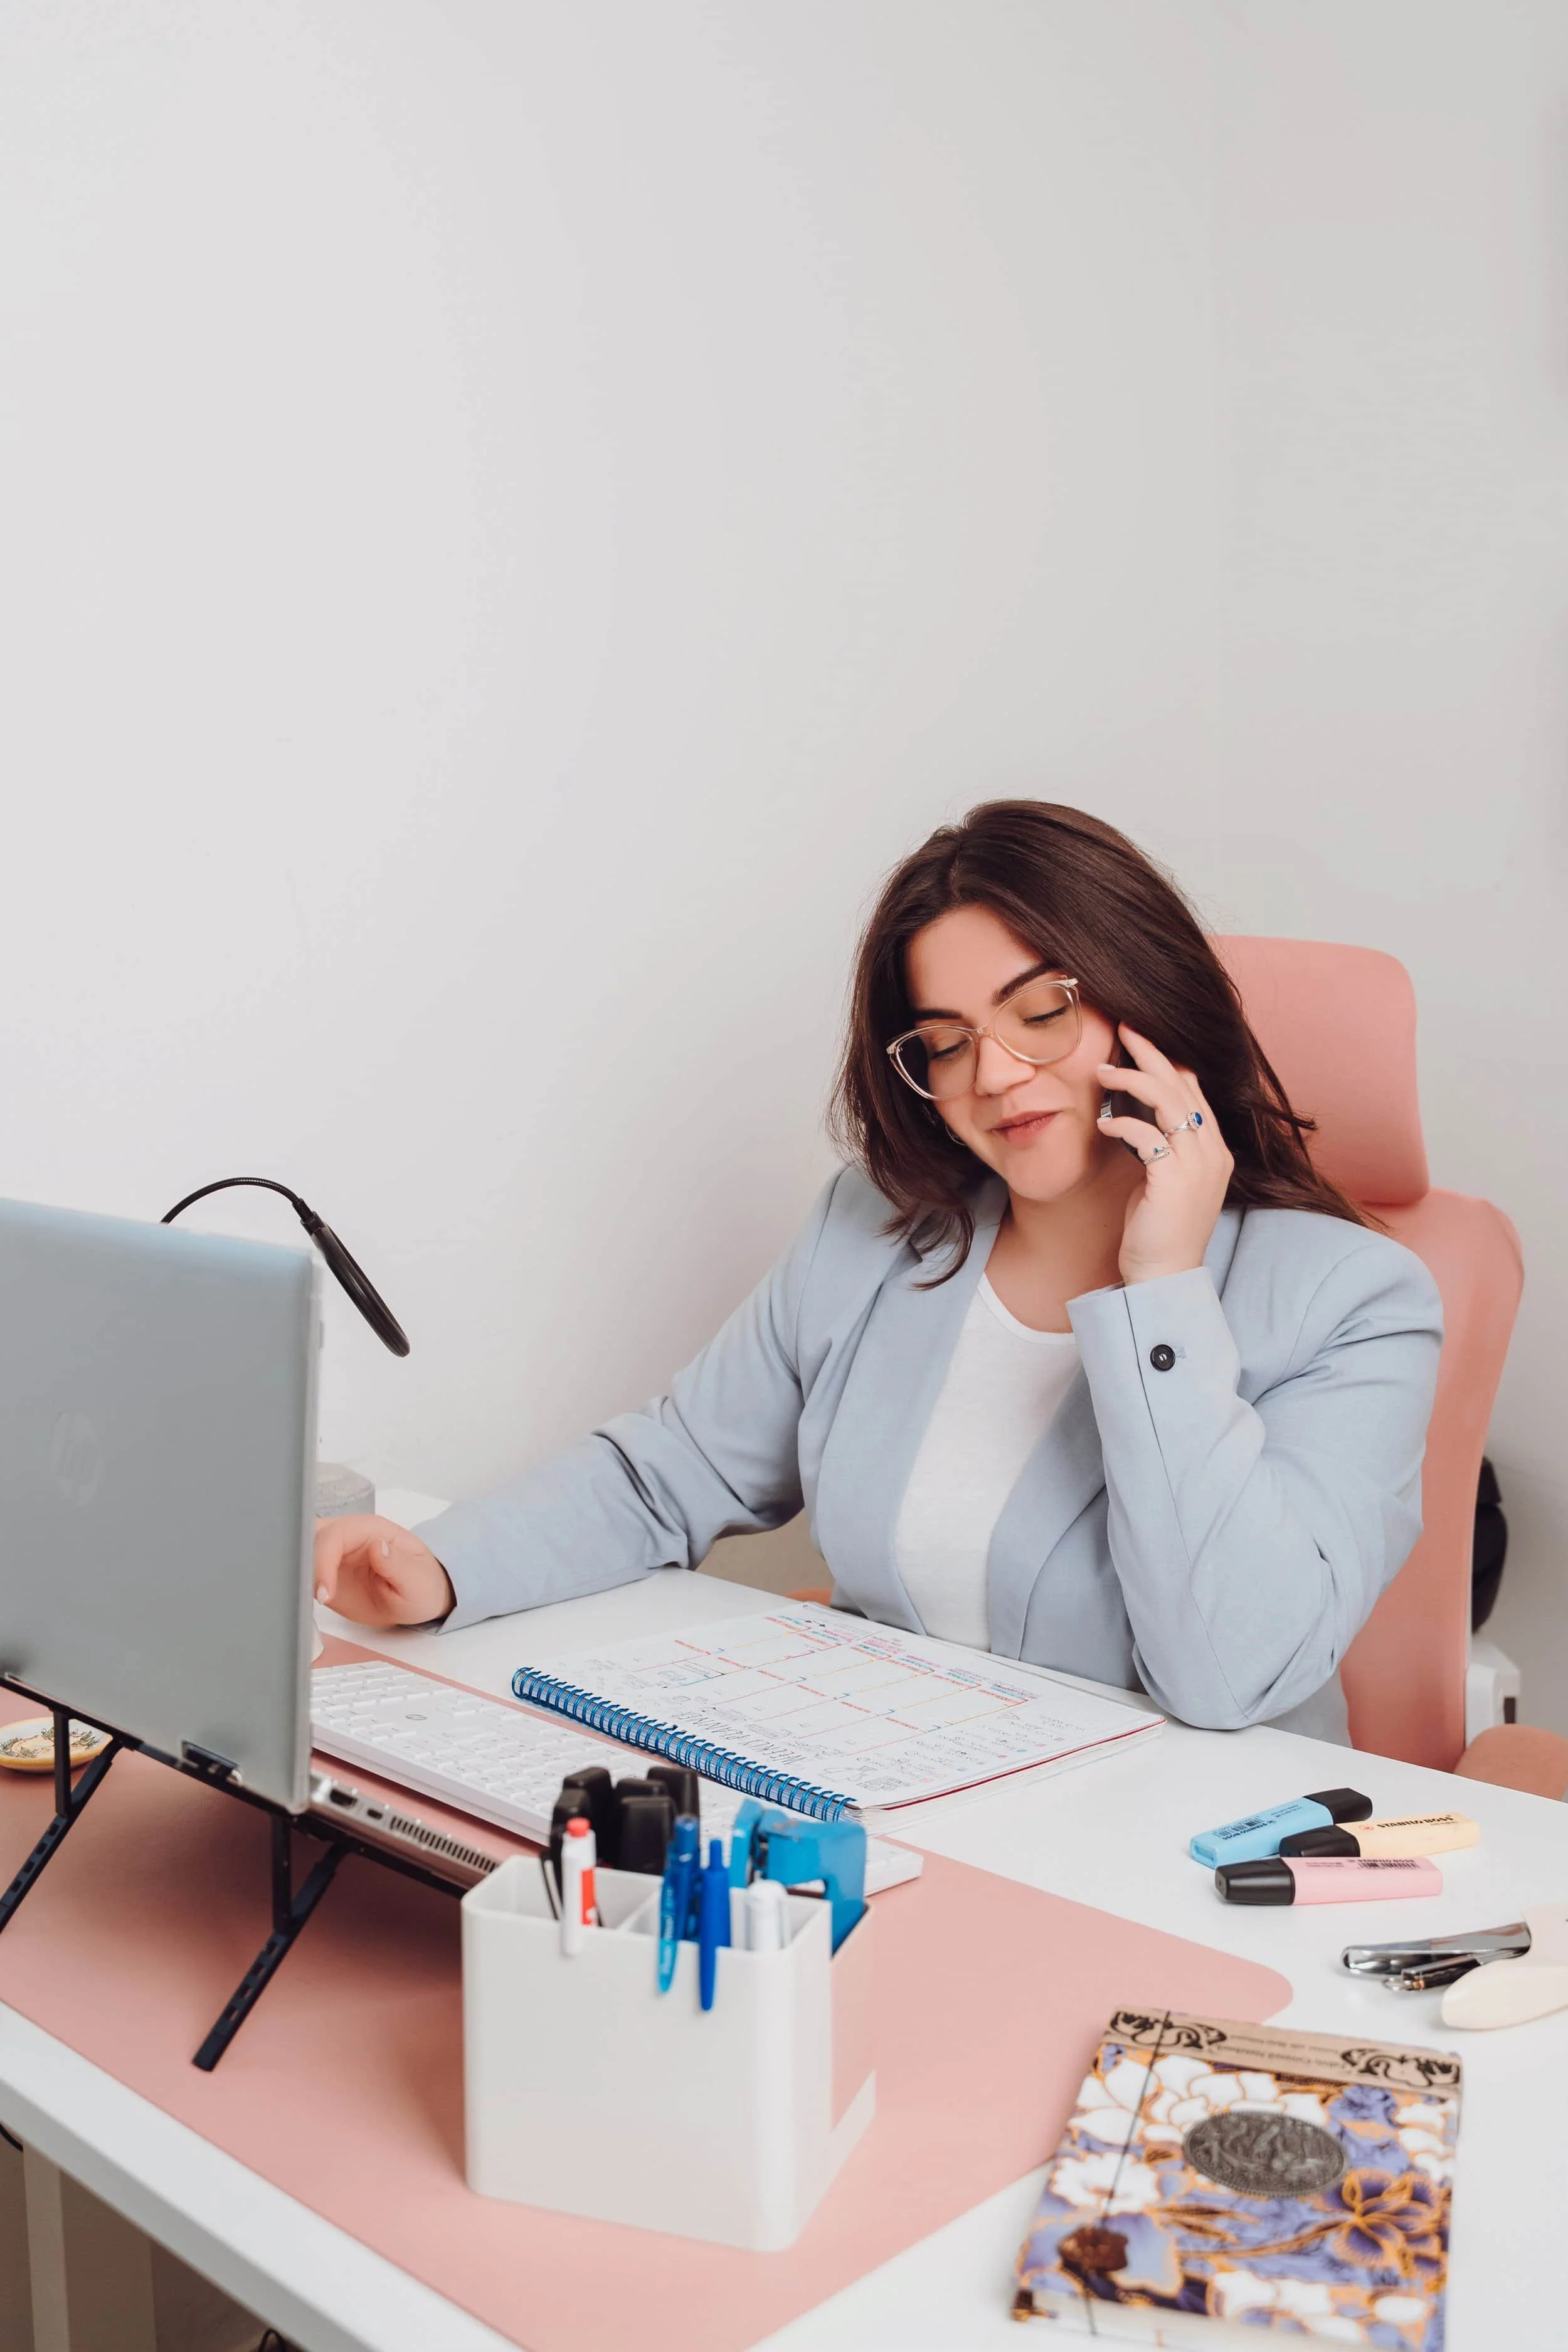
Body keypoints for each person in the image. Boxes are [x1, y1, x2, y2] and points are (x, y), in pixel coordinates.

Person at [315, 802, 1442, 1739]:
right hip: (904, 1809)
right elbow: (670, 1471)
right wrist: (446, 1566)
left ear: (1141, 997)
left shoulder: (1356, 1304)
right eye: (946, 1042)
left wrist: (1160, 1290)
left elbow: (1226, 1673)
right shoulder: (877, 1229)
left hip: (1187, 1861)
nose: (995, 1074)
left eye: (1041, 1009)